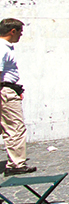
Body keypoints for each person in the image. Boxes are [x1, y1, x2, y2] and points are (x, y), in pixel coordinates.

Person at [0, 18, 36, 175]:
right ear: (12, 31)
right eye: (20, 32)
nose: (21, 35)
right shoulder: (2, 48)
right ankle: (16, 164)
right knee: (15, 127)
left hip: (8, 90)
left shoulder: (6, 47)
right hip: (5, 92)